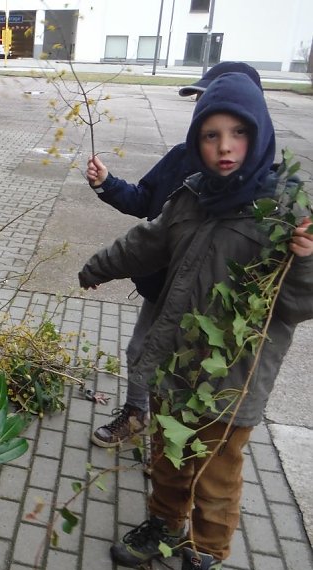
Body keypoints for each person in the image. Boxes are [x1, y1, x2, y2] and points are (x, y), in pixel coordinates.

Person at [78, 72, 313, 570]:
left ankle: (205, 557)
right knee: (167, 454)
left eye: (237, 133)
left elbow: (300, 306)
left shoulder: (285, 213)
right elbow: (146, 241)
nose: (224, 147)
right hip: (177, 366)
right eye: (210, 135)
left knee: (215, 476)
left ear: (259, 134)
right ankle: (164, 524)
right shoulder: (193, 195)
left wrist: (306, 261)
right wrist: (97, 268)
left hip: (234, 381)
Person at [85, 61, 262, 449]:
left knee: (189, 375)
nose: (202, 112)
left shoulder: (263, 193)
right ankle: (138, 417)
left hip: (211, 307)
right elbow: (145, 203)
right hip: (163, 286)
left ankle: (176, 444)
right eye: (200, 104)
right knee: (140, 349)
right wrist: (106, 184)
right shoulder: (182, 156)